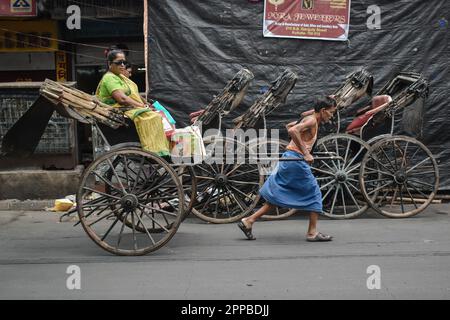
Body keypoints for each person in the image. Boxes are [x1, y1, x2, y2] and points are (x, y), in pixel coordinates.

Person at [237, 96, 337, 241]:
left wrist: (300, 144)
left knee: (277, 196)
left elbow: (290, 126)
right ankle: (312, 233)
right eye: (331, 112)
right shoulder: (311, 120)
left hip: (290, 158)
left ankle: (249, 221)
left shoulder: (309, 118)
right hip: (296, 161)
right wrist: (306, 152)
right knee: (315, 193)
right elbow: (293, 131)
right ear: (322, 110)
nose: (332, 116)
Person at [96, 49, 170, 156]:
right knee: (153, 117)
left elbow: (131, 95)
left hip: (125, 110)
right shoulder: (109, 78)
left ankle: (160, 147)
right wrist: (143, 106)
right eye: (118, 62)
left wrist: (145, 105)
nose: (122, 65)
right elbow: (123, 99)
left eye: (124, 62)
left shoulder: (119, 77)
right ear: (109, 64)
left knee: (158, 114)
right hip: (117, 112)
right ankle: (153, 149)